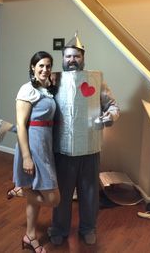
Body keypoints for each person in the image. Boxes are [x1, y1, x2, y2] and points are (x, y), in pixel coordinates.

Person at [47, 33, 120, 246]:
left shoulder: (96, 81)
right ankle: (59, 229)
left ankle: (88, 228)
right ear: (62, 58)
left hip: (90, 148)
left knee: (89, 193)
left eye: (76, 56)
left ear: (83, 58)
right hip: (63, 149)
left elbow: (113, 106)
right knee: (63, 193)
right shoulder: (54, 79)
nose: (72, 60)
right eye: (68, 56)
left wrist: (110, 117)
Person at [11, 51, 60, 253]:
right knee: (53, 199)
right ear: (32, 67)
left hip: (45, 144)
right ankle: (22, 191)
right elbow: (21, 125)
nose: (44, 69)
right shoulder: (27, 89)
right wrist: (26, 157)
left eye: (48, 66)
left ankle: (30, 236)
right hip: (32, 145)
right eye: (40, 65)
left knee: (36, 193)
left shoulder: (47, 88)